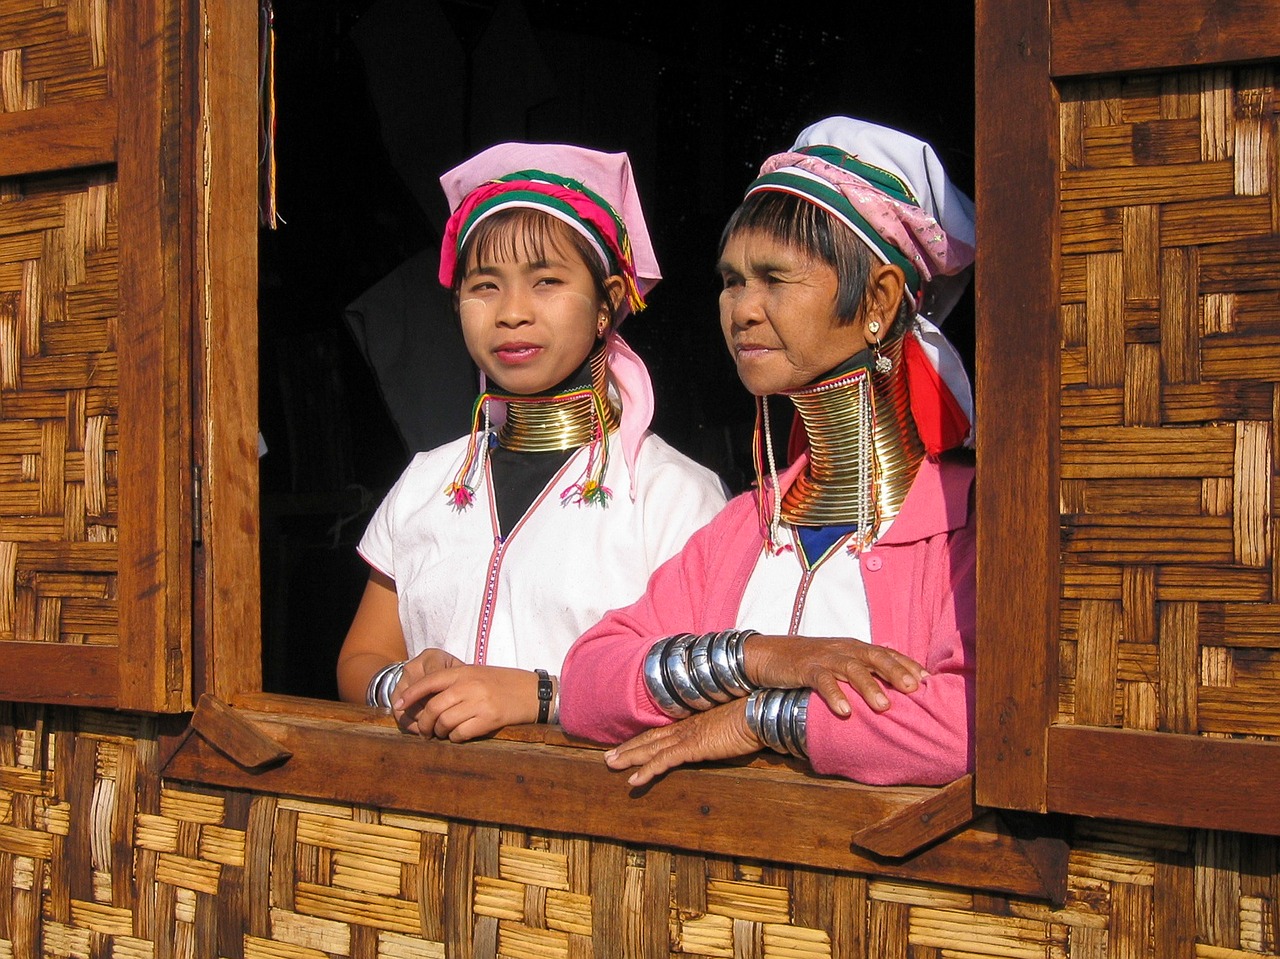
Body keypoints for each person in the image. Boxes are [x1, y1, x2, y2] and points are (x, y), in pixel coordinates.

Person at [558, 116, 977, 786]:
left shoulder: (966, 529)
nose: (741, 309)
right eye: (731, 280)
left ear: (879, 298)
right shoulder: (747, 528)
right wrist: (761, 657)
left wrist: (759, 718)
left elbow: (973, 721)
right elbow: (585, 680)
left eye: (774, 278)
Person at [337, 142, 729, 741]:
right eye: (484, 286)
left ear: (610, 301)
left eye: (546, 281)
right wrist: (406, 684)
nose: (512, 312)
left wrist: (541, 696)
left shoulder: (672, 496)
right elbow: (359, 661)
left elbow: (700, 687)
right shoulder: (426, 481)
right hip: (420, 821)